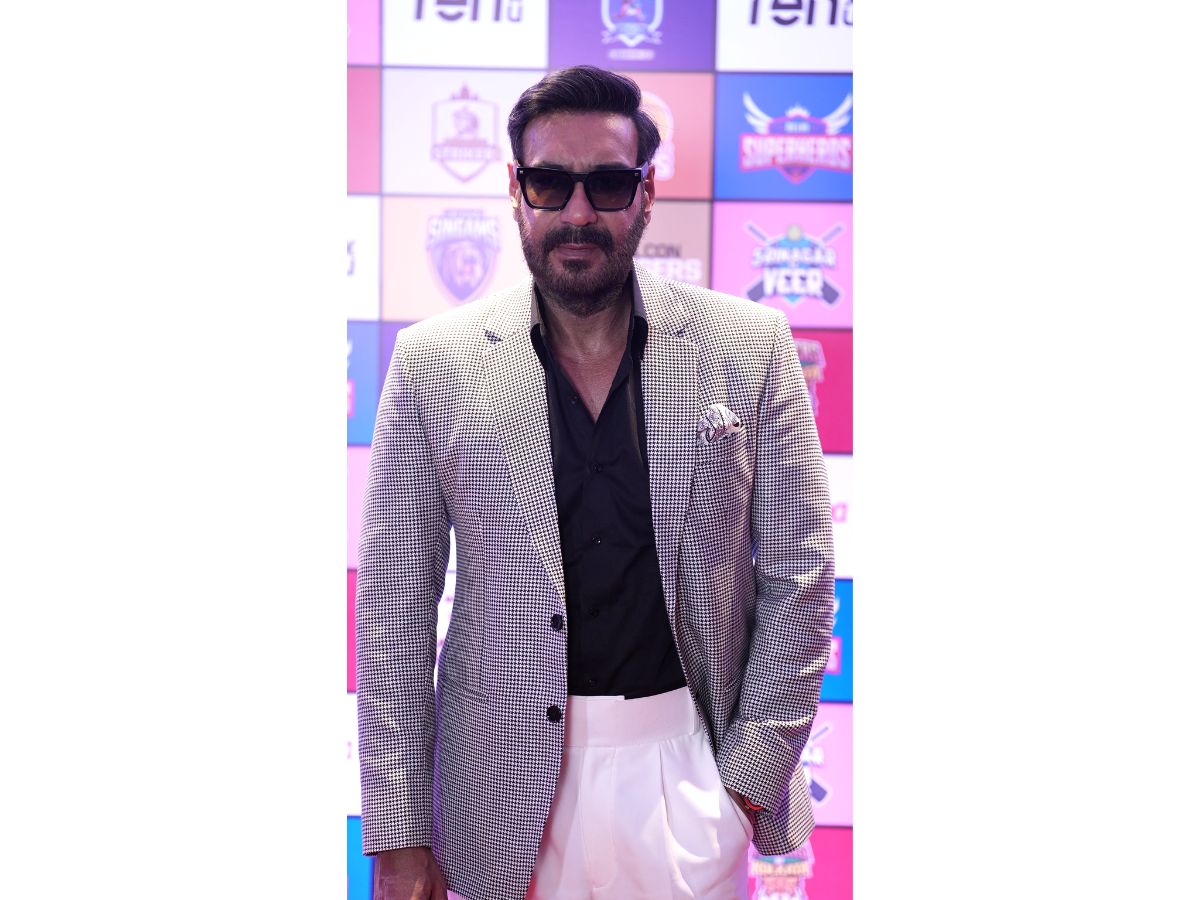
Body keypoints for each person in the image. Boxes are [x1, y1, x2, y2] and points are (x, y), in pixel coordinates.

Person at [356, 65, 834, 900]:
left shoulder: (749, 345)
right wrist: (398, 835)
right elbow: (393, 610)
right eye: (551, 183)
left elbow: (802, 574)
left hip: (689, 773)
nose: (578, 212)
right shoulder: (434, 362)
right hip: (496, 795)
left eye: (607, 184)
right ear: (517, 191)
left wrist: (744, 786)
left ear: (645, 195)